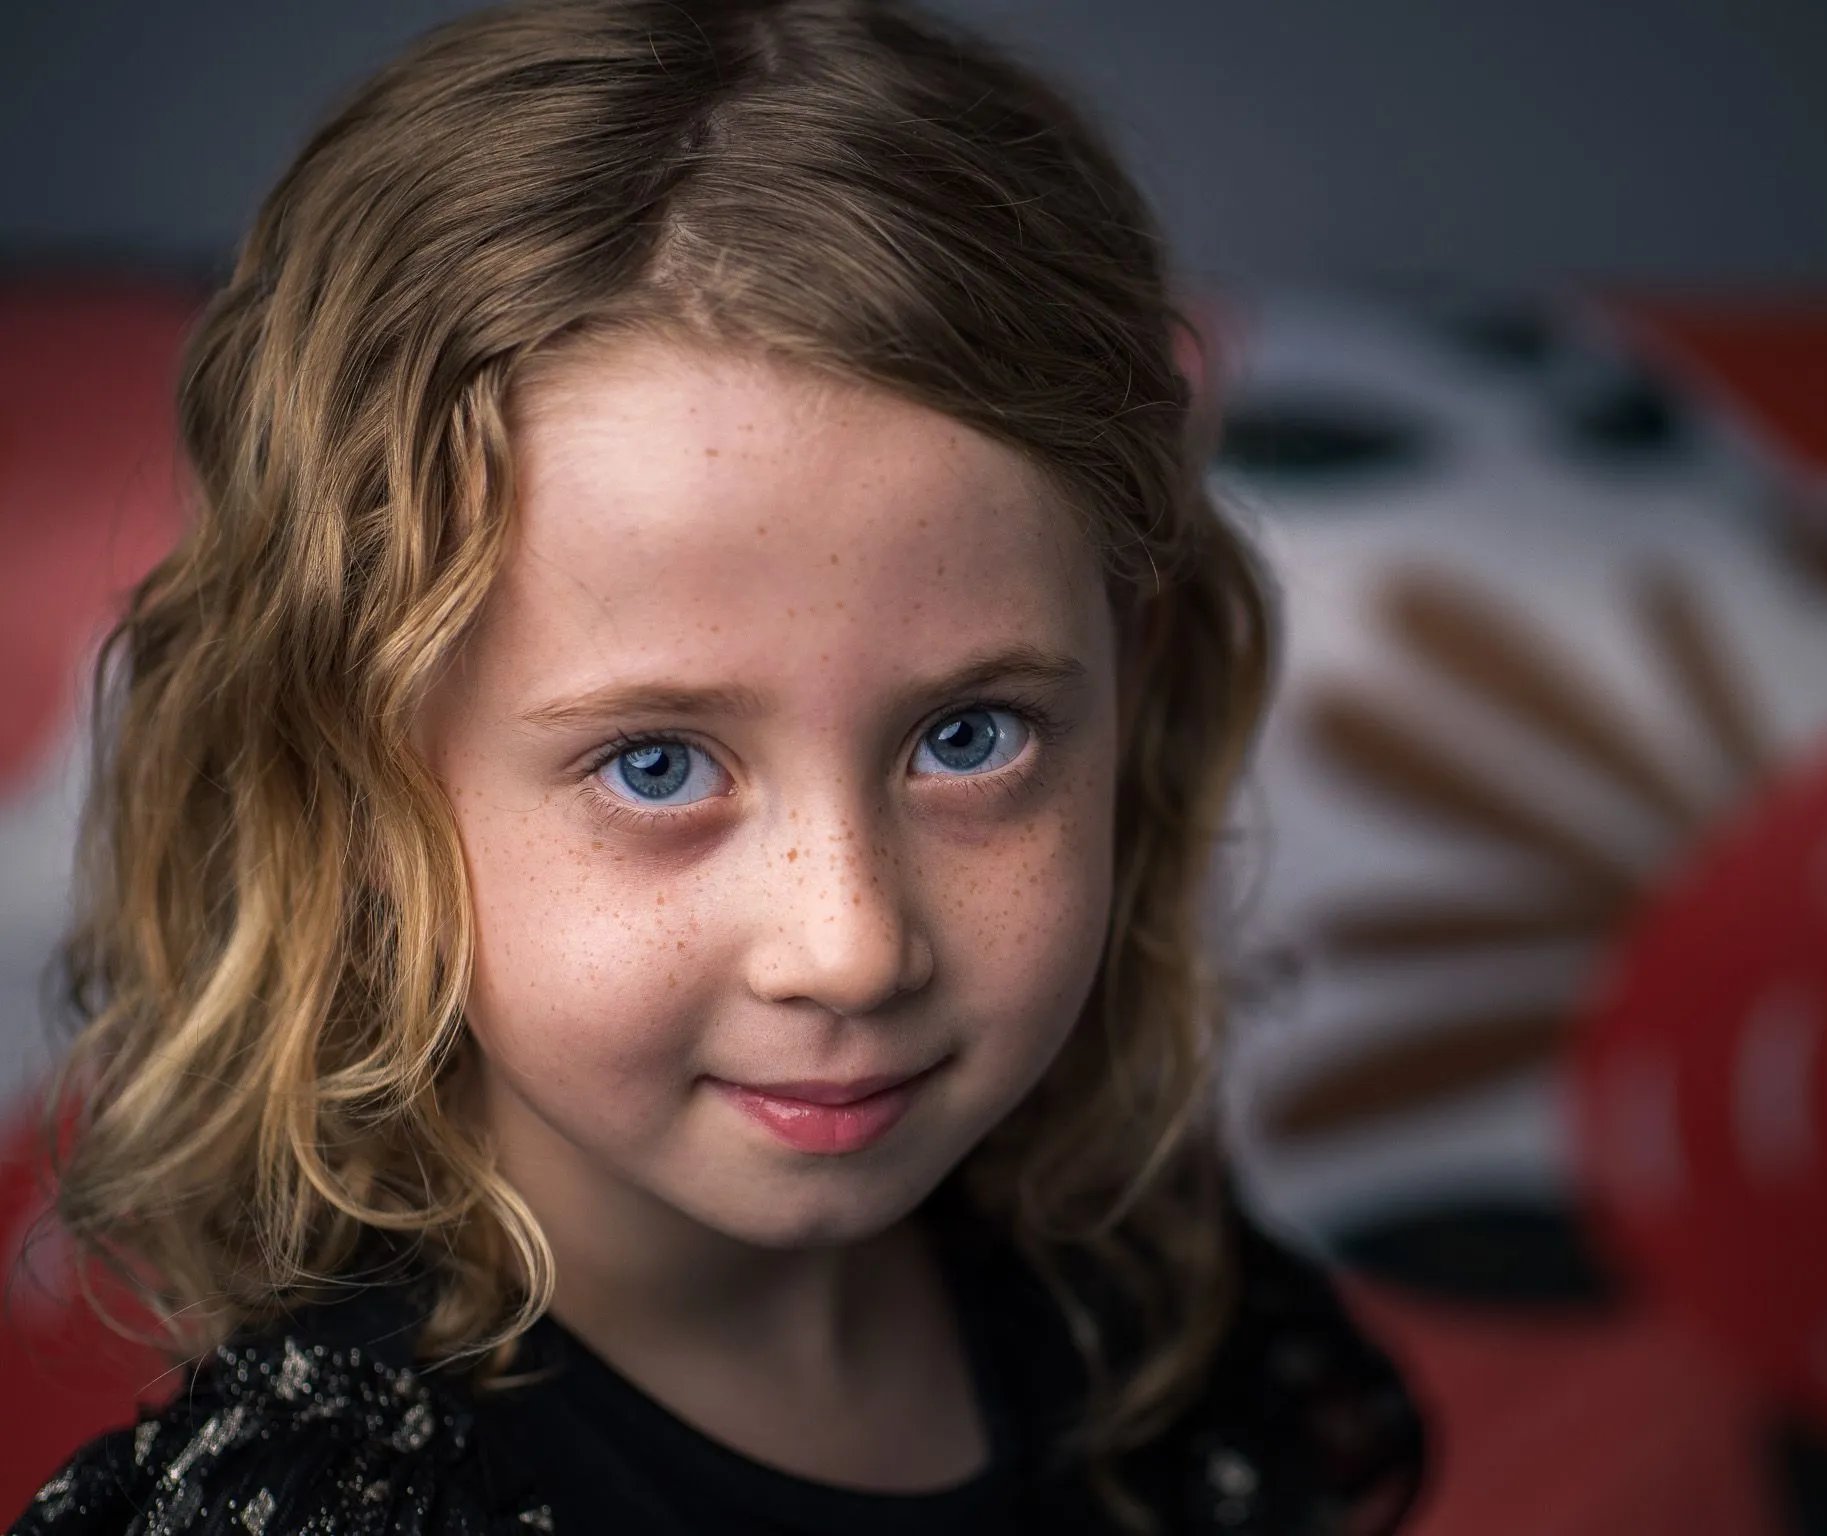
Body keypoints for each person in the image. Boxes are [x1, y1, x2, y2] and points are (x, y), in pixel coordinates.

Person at [10, 2, 1424, 1531]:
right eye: (661, 766)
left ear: (1132, 684)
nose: (852, 946)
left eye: (971, 738)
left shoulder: (1149, 1326)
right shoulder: (345, 1505)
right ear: (351, 779)